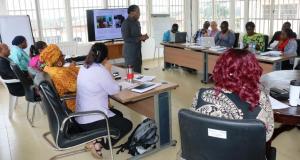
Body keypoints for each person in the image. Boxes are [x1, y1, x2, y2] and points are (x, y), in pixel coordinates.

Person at [191, 49, 274, 142]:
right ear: (252, 71)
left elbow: (194, 125)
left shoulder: (201, 94)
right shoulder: (259, 98)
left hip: (204, 151)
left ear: (221, 69)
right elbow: (267, 135)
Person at [76, 43, 132, 158]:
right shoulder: (100, 70)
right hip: (92, 118)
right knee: (127, 125)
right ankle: (98, 144)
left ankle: (94, 138)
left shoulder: (84, 66)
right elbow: (114, 90)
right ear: (105, 58)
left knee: (119, 114)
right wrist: (108, 70)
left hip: (80, 115)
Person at [40, 44, 79, 112]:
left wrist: (72, 68)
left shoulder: (51, 69)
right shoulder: (60, 73)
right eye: (61, 55)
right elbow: (75, 87)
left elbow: (66, 72)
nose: (63, 56)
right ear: (58, 61)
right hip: (74, 103)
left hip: (67, 101)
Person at [121, 5, 149, 73]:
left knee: (138, 73)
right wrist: (140, 38)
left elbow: (137, 36)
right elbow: (126, 38)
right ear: (131, 12)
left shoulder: (137, 22)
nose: (139, 14)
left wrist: (143, 37)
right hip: (130, 54)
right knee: (131, 74)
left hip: (138, 53)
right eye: (138, 12)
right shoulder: (126, 23)